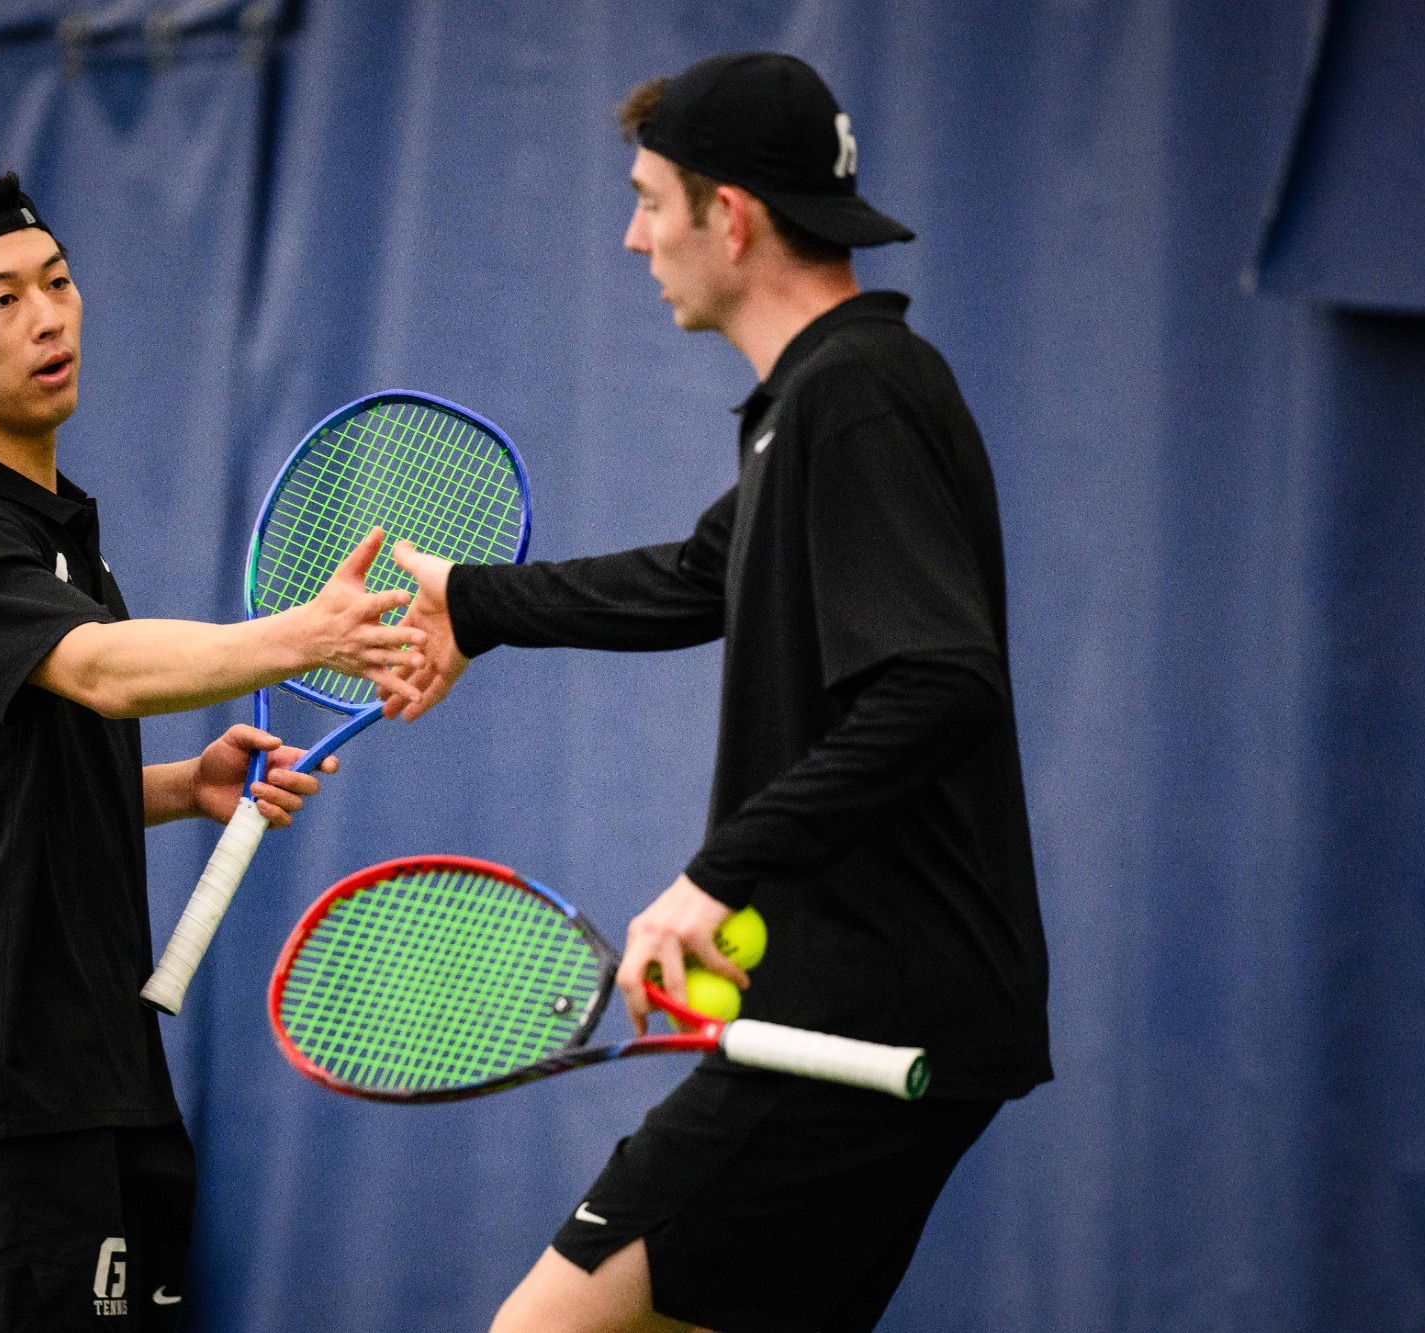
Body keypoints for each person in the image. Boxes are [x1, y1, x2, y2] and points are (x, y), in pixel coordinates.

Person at [388, 54, 1052, 1333]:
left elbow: (937, 681)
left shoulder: (851, 395)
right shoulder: (822, 394)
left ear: (729, 215)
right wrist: (474, 603)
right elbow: (705, 574)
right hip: (894, 1003)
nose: (633, 236)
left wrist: (713, 877)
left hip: (858, 1014)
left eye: (649, 200)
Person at [0, 173, 423, 1332]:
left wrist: (177, 787)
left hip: (101, 1061)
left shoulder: (51, 533)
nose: (48, 317)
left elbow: (14, 781)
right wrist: (304, 636)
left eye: (57, 283)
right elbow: (101, 673)